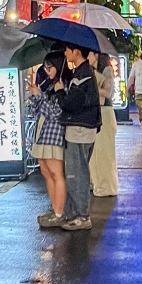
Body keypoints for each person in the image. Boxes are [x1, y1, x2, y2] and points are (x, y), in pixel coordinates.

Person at [49, 43, 101, 231]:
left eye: (67, 50)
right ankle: (73, 213)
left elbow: (72, 104)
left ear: (76, 51)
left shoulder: (83, 74)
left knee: (76, 174)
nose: (65, 53)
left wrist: (61, 91)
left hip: (80, 130)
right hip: (82, 129)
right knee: (76, 172)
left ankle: (82, 216)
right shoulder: (81, 72)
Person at [30, 52, 67, 227]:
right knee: (46, 172)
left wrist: (39, 96)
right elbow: (40, 110)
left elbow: (55, 113)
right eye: (45, 67)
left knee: (56, 173)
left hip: (53, 133)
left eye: (49, 67)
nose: (47, 71)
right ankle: (54, 209)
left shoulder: (62, 85)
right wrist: (36, 95)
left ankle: (59, 212)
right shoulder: (50, 84)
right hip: (42, 132)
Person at [88, 51, 118, 198]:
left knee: (104, 153)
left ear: (96, 55)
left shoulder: (106, 70)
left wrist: (91, 87)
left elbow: (108, 92)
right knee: (95, 153)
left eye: (88, 54)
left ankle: (106, 187)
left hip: (105, 113)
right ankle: (96, 183)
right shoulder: (89, 70)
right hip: (95, 112)